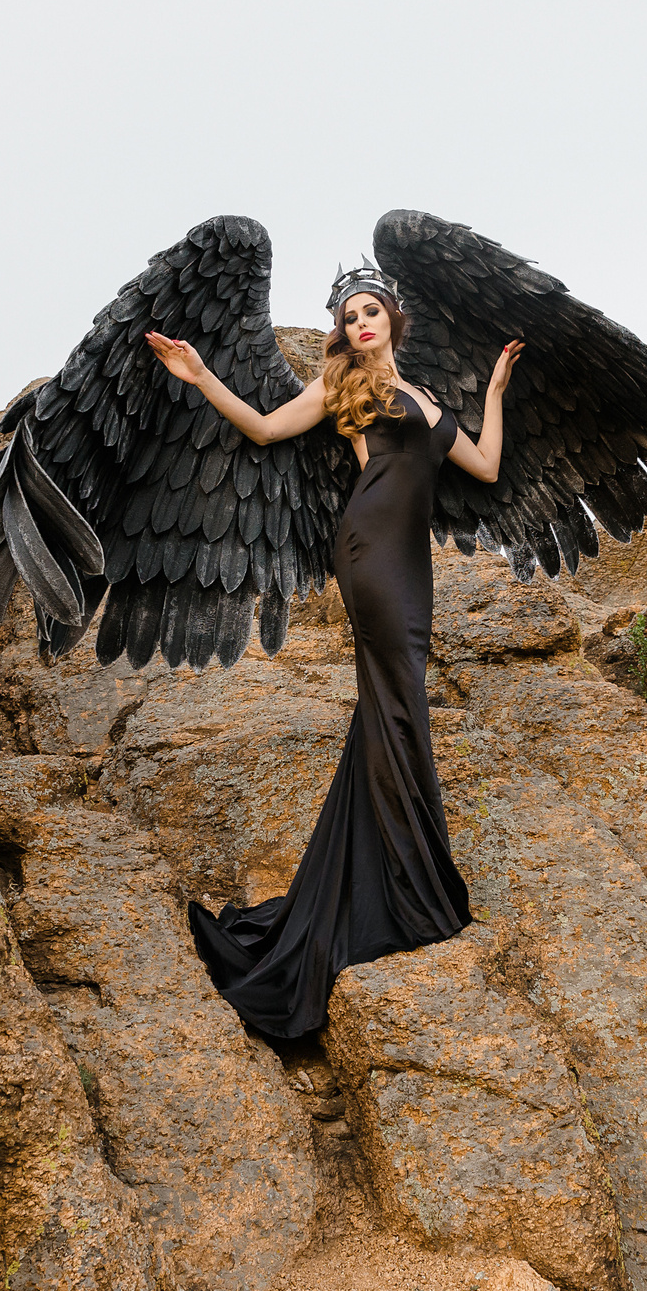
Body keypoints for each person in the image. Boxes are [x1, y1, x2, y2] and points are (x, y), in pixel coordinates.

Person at [141, 271, 521, 1039]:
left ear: (392, 319)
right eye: (349, 317)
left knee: (389, 708)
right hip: (371, 550)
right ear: (343, 332)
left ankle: (382, 881)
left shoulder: (426, 401)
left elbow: (483, 465)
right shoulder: (340, 387)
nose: (360, 324)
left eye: (370, 311)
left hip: (411, 561)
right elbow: (264, 428)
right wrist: (201, 373)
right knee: (398, 704)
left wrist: (498, 390)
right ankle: (410, 888)